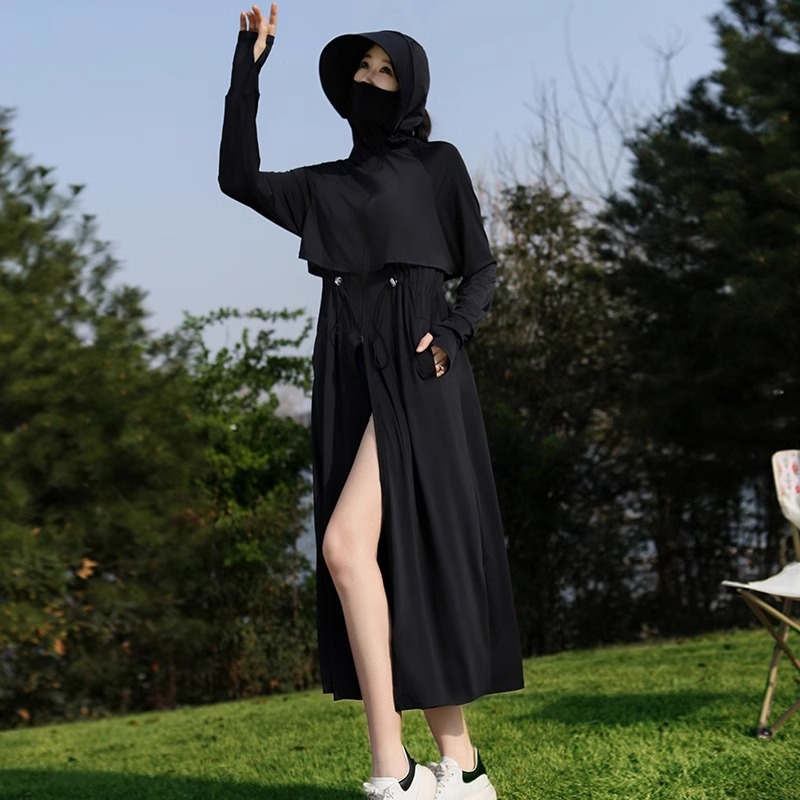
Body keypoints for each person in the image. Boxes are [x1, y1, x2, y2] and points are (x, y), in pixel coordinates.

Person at [218, 5, 524, 799]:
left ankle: (392, 769)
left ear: (412, 85)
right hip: (350, 367)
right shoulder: (326, 185)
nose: (372, 80)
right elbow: (238, 178)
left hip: (421, 367)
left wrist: (452, 334)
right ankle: (463, 768)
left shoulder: (438, 165)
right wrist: (247, 71)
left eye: (387, 71)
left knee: (346, 547)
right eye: (363, 69)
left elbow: (481, 270)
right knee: (393, 561)